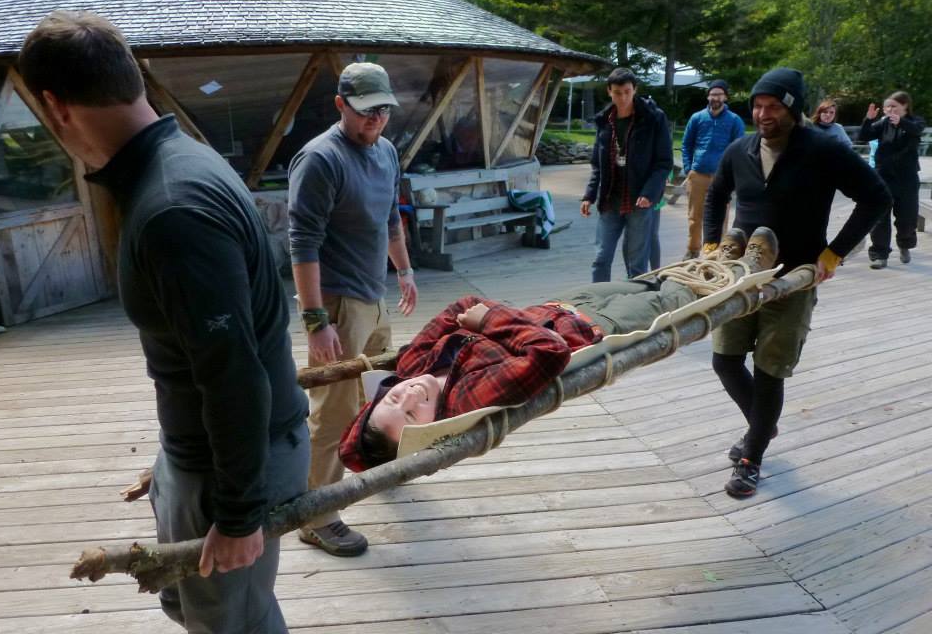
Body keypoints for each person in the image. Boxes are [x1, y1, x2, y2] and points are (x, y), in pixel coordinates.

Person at [18, 11, 310, 633]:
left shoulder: (172, 209)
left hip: (235, 463)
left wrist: (236, 514)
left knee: (233, 626)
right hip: (206, 454)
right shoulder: (178, 164)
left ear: (54, 105)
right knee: (200, 607)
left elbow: (235, 375)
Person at [338, 227, 775, 472]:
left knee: (650, 279)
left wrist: (497, 323)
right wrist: (491, 321)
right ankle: (744, 268)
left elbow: (460, 305)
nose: (410, 395)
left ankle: (720, 258)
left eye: (395, 398)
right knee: (675, 300)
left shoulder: (412, 363)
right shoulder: (466, 400)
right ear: (431, 427)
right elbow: (549, 353)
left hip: (560, 304)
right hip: (597, 329)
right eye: (413, 414)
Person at [703, 67, 891, 499]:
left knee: (770, 370)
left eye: (772, 107)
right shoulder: (739, 150)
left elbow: (876, 196)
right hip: (741, 279)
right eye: (757, 106)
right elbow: (716, 194)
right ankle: (762, 427)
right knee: (725, 360)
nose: (763, 114)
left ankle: (751, 457)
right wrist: (712, 245)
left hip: (795, 278)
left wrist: (834, 252)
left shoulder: (822, 150)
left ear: (792, 109)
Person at [287, 62, 418, 557]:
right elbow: (302, 244)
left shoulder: (385, 151)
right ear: (340, 104)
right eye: (366, 112)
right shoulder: (320, 160)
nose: (377, 120)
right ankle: (317, 515)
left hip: (375, 295)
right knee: (332, 410)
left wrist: (403, 272)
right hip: (338, 304)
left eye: (384, 110)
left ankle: (370, 464)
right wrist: (316, 322)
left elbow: (390, 219)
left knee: (382, 390)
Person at [581, 68, 673, 280]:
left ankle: (635, 303)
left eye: (627, 91)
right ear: (609, 92)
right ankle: (597, 302)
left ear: (635, 90)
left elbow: (663, 162)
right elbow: (597, 164)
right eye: (617, 92)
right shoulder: (604, 121)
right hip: (610, 200)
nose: (622, 97)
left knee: (636, 263)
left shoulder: (653, 118)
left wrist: (649, 193)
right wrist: (589, 195)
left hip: (640, 201)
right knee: (601, 258)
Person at [858, 91, 925, 269]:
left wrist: (901, 122)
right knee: (879, 216)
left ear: (905, 106)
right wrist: (868, 119)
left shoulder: (915, 121)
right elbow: (863, 136)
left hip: (907, 177)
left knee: (907, 218)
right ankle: (880, 254)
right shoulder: (882, 123)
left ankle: (904, 245)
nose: (889, 110)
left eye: (894, 106)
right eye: (887, 106)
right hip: (883, 175)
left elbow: (917, 130)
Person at [680, 79, 746, 260]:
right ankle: (693, 250)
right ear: (708, 96)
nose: (715, 97)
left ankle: (716, 253)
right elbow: (686, 145)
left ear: (725, 97)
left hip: (721, 178)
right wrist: (688, 169)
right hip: (698, 174)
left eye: (719, 94)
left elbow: (739, 149)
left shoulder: (734, 121)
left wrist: (733, 175)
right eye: (713, 94)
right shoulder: (697, 118)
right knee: (695, 217)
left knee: (720, 218)